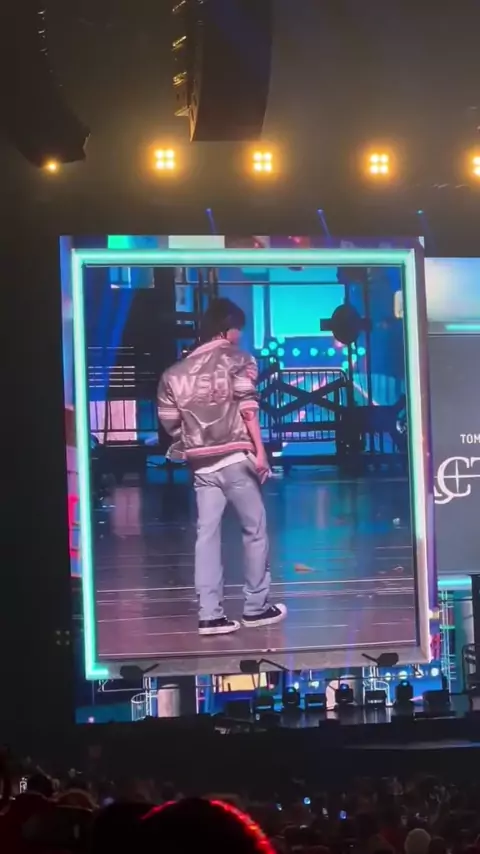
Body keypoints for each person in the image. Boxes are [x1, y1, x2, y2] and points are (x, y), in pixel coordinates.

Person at [157, 297, 286, 636]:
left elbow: (170, 422)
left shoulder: (173, 374)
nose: (239, 335)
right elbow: (248, 409)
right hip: (235, 459)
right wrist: (261, 453)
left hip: (201, 465)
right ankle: (256, 607)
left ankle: (210, 615)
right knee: (254, 531)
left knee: (207, 535)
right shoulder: (239, 360)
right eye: (238, 329)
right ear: (228, 329)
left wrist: (192, 442)